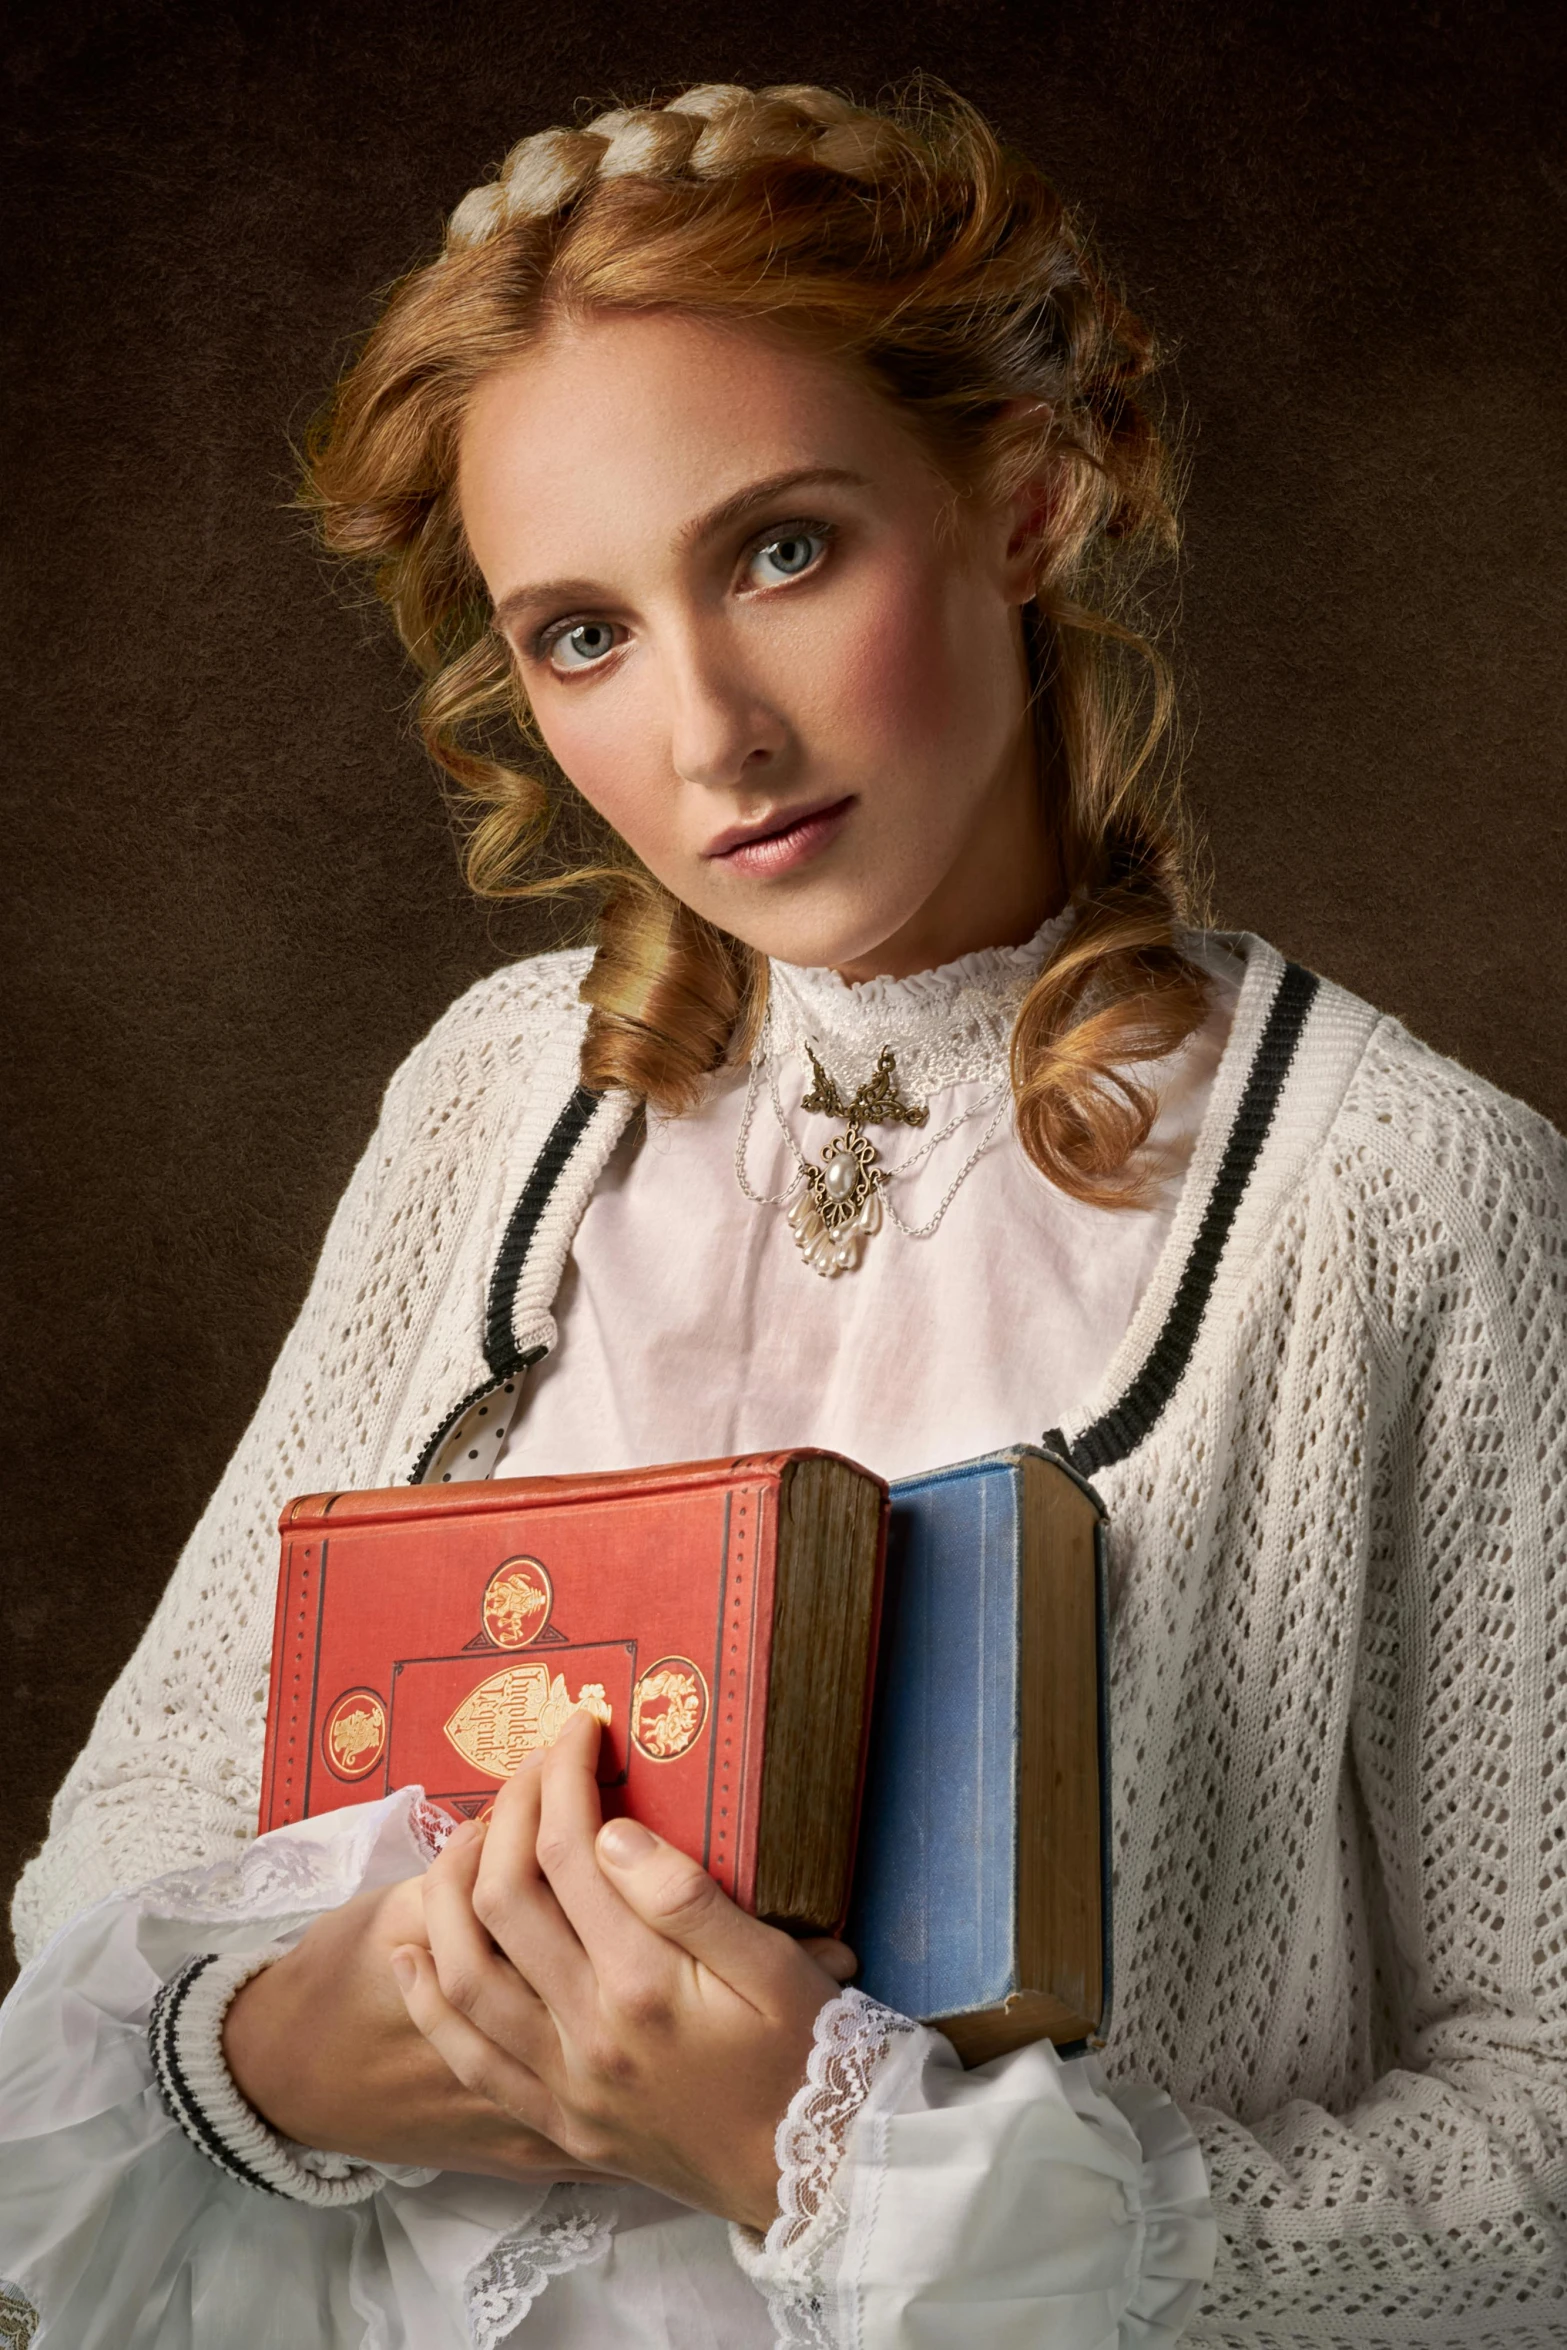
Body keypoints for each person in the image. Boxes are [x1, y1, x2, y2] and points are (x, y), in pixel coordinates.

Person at [1, 78, 1563, 2350]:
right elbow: (122, 1849)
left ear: (1026, 500)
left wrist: (814, 2150)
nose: (711, 727)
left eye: (783, 549)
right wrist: (272, 2058)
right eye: (581, 631)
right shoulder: (493, 1103)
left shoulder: (1397, 1198)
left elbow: (1543, 2147)